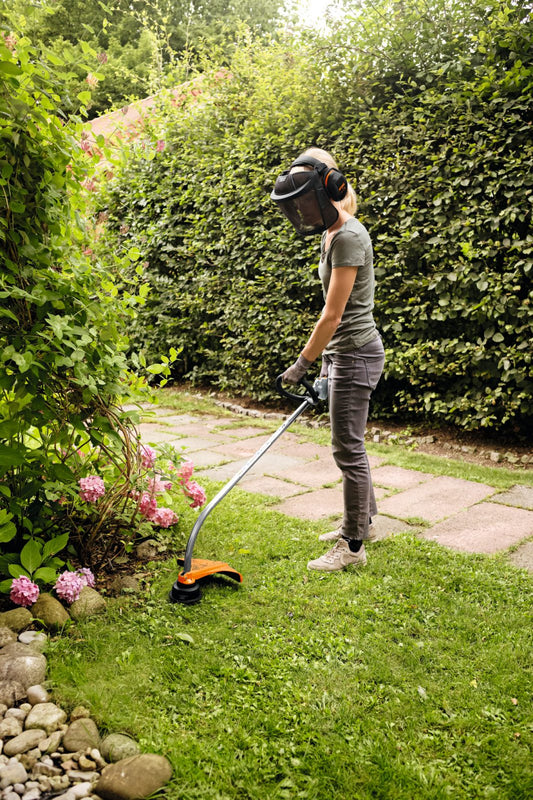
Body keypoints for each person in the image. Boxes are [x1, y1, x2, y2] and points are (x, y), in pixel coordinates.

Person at [270, 147, 385, 572]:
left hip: (356, 354)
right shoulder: (331, 233)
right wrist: (323, 368)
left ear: (327, 190)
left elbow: (333, 315)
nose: (299, 210)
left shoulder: (350, 236)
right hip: (343, 356)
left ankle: (353, 546)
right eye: (294, 203)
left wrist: (301, 363)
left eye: (303, 199)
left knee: (347, 449)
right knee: (351, 446)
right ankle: (363, 523)